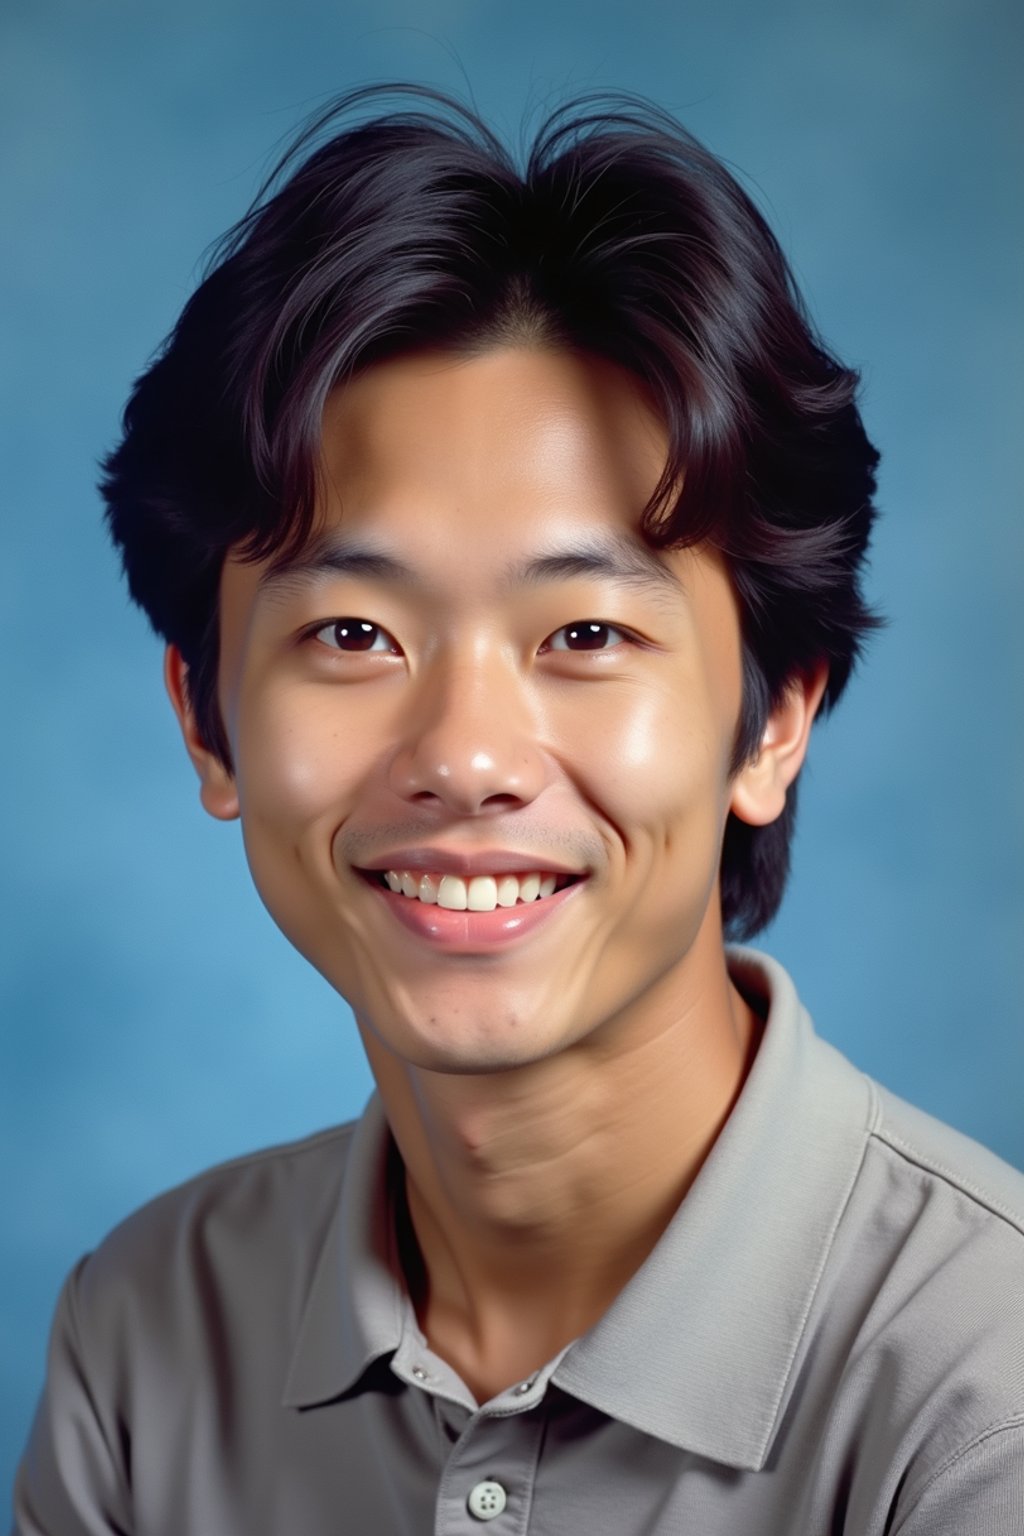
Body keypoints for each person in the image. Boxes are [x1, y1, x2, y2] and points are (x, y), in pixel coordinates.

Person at [12, 86, 1024, 1536]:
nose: (467, 756)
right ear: (205, 716)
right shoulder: (151, 1332)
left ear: (778, 716)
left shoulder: (983, 1390)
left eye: (587, 636)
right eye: (354, 633)